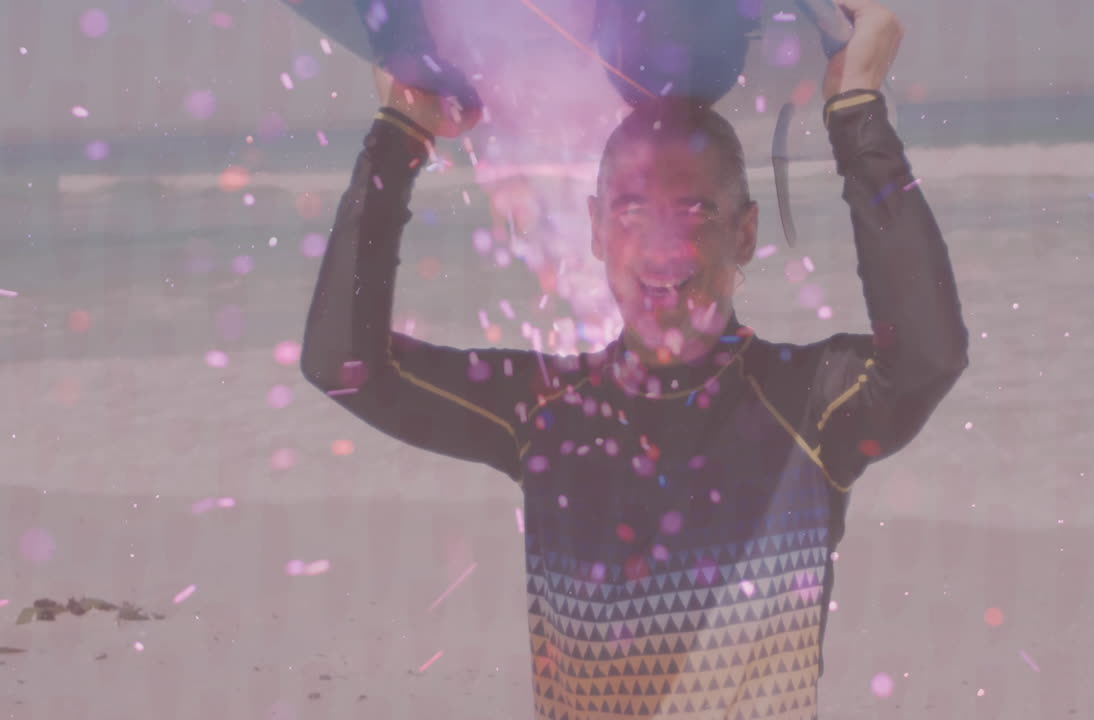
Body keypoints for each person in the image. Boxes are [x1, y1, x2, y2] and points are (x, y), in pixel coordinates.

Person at [300, 0, 968, 716]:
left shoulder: (808, 406)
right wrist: (400, 135)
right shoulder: (548, 412)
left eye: (696, 212)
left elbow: (929, 356)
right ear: (594, 229)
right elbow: (346, 365)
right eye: (631, 210)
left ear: (745, 234)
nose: (663, 247)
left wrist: (858, 113)